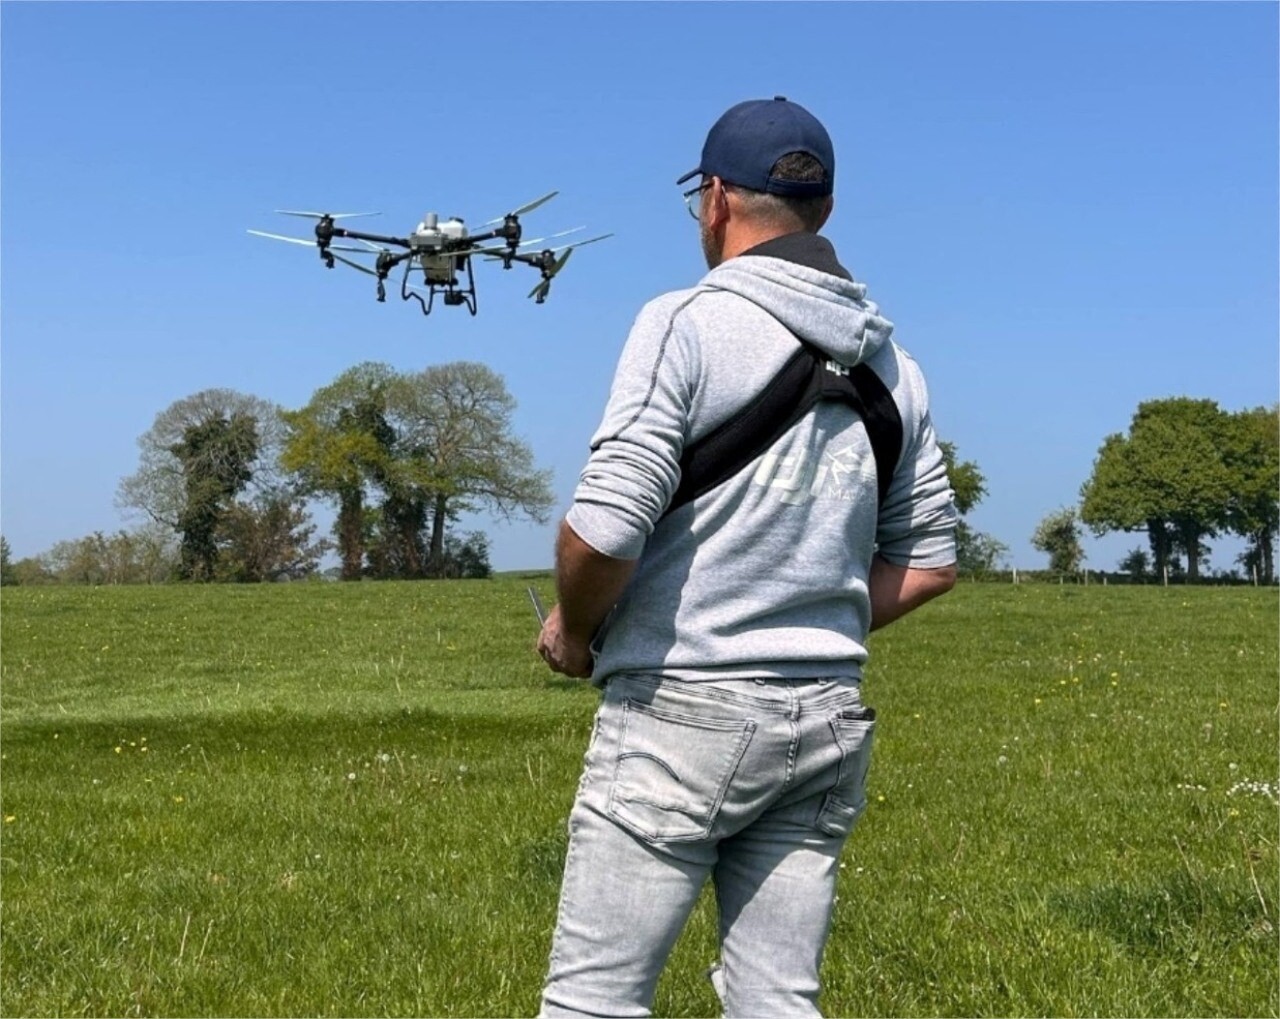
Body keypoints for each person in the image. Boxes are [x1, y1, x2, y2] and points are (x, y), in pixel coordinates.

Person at [535, 96, 958, 1018]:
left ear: (715, 200)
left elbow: (603, 529)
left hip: (677, 717)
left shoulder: (682, 322)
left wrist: (575, 631)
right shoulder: (896, 367)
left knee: (593, 1002)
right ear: (825, 209)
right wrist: (806, 618)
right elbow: (928, 563)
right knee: (777, 1002)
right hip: (827, 725)